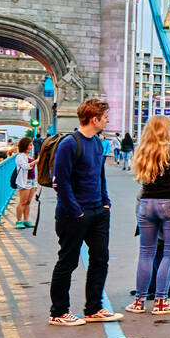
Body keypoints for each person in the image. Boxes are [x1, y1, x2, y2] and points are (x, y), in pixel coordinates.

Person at [48, 98, 123, 326]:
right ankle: (59, 312)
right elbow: (61, 181)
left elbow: (99, 176)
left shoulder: (98, 144)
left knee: (100, 259)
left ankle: (94, 308)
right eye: (105, 117)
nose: (108, 120)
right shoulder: (70, 144)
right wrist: (76, 211)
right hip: (74, 214)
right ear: (94, 119)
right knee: (67, 262)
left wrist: (106, 203)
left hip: (99, 211)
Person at [123, 116, 170, 317]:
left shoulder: (142, 150)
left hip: (146, 206)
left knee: (146, 252)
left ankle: (139, 301)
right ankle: (161, 301)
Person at [13, 136, 37, 228]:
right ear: (23, 146)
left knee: (28, 202)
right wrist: (36, 161)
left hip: (32, 181)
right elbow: (26, 167)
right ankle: (19, 221)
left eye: (31, 145)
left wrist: (35, 184)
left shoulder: (30, 156)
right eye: (28, 145)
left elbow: (34, 170)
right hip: (24, 181)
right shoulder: (20, 156)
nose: (30, 147)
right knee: (22, 202)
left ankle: (26, 220)